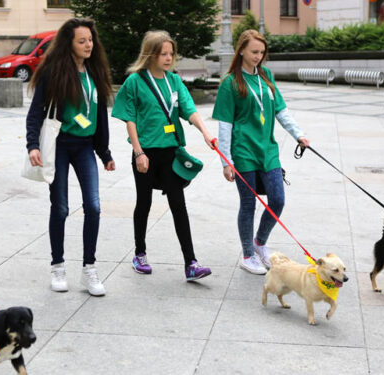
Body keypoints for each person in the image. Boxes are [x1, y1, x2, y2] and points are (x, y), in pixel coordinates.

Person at [111, 30, 214, 282]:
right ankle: (140, 254)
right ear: (150, 54)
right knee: (144, 204)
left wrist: (205, 132)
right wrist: (138, 153)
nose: (168, 58)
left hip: (170, 153)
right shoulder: (135, 82)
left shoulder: (174, 81)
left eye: (171, 53)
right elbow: (130, 119)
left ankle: (191, 262)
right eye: (163, 54)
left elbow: (189, 109)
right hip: (145, 153)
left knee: (178, 205)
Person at [25, 18, 114, 296]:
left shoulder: (94, 72)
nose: (88, 45)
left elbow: (99, 116)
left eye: (90, 40)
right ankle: (58, 265)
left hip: (85, 146)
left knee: (94, 206)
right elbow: (36, 111)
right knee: (61, 207)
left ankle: (90, 269)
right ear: (69, 44)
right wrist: (32, 145)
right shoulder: (54, 71)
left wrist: (105, 152)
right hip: (60, 146)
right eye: (82, 41)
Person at [212, 30, 310, 275]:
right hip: (243, 151)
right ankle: (247, 254)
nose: (258, 57)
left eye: (262, 52)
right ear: (241, 50)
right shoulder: (230, 83)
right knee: (248, 204)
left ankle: (259, 242)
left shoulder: (266, 76)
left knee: (278, 200)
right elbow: (225, 124)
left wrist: (298, 134)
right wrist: (226, 160)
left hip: (268, 150)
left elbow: (280, 110)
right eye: (254, 52)